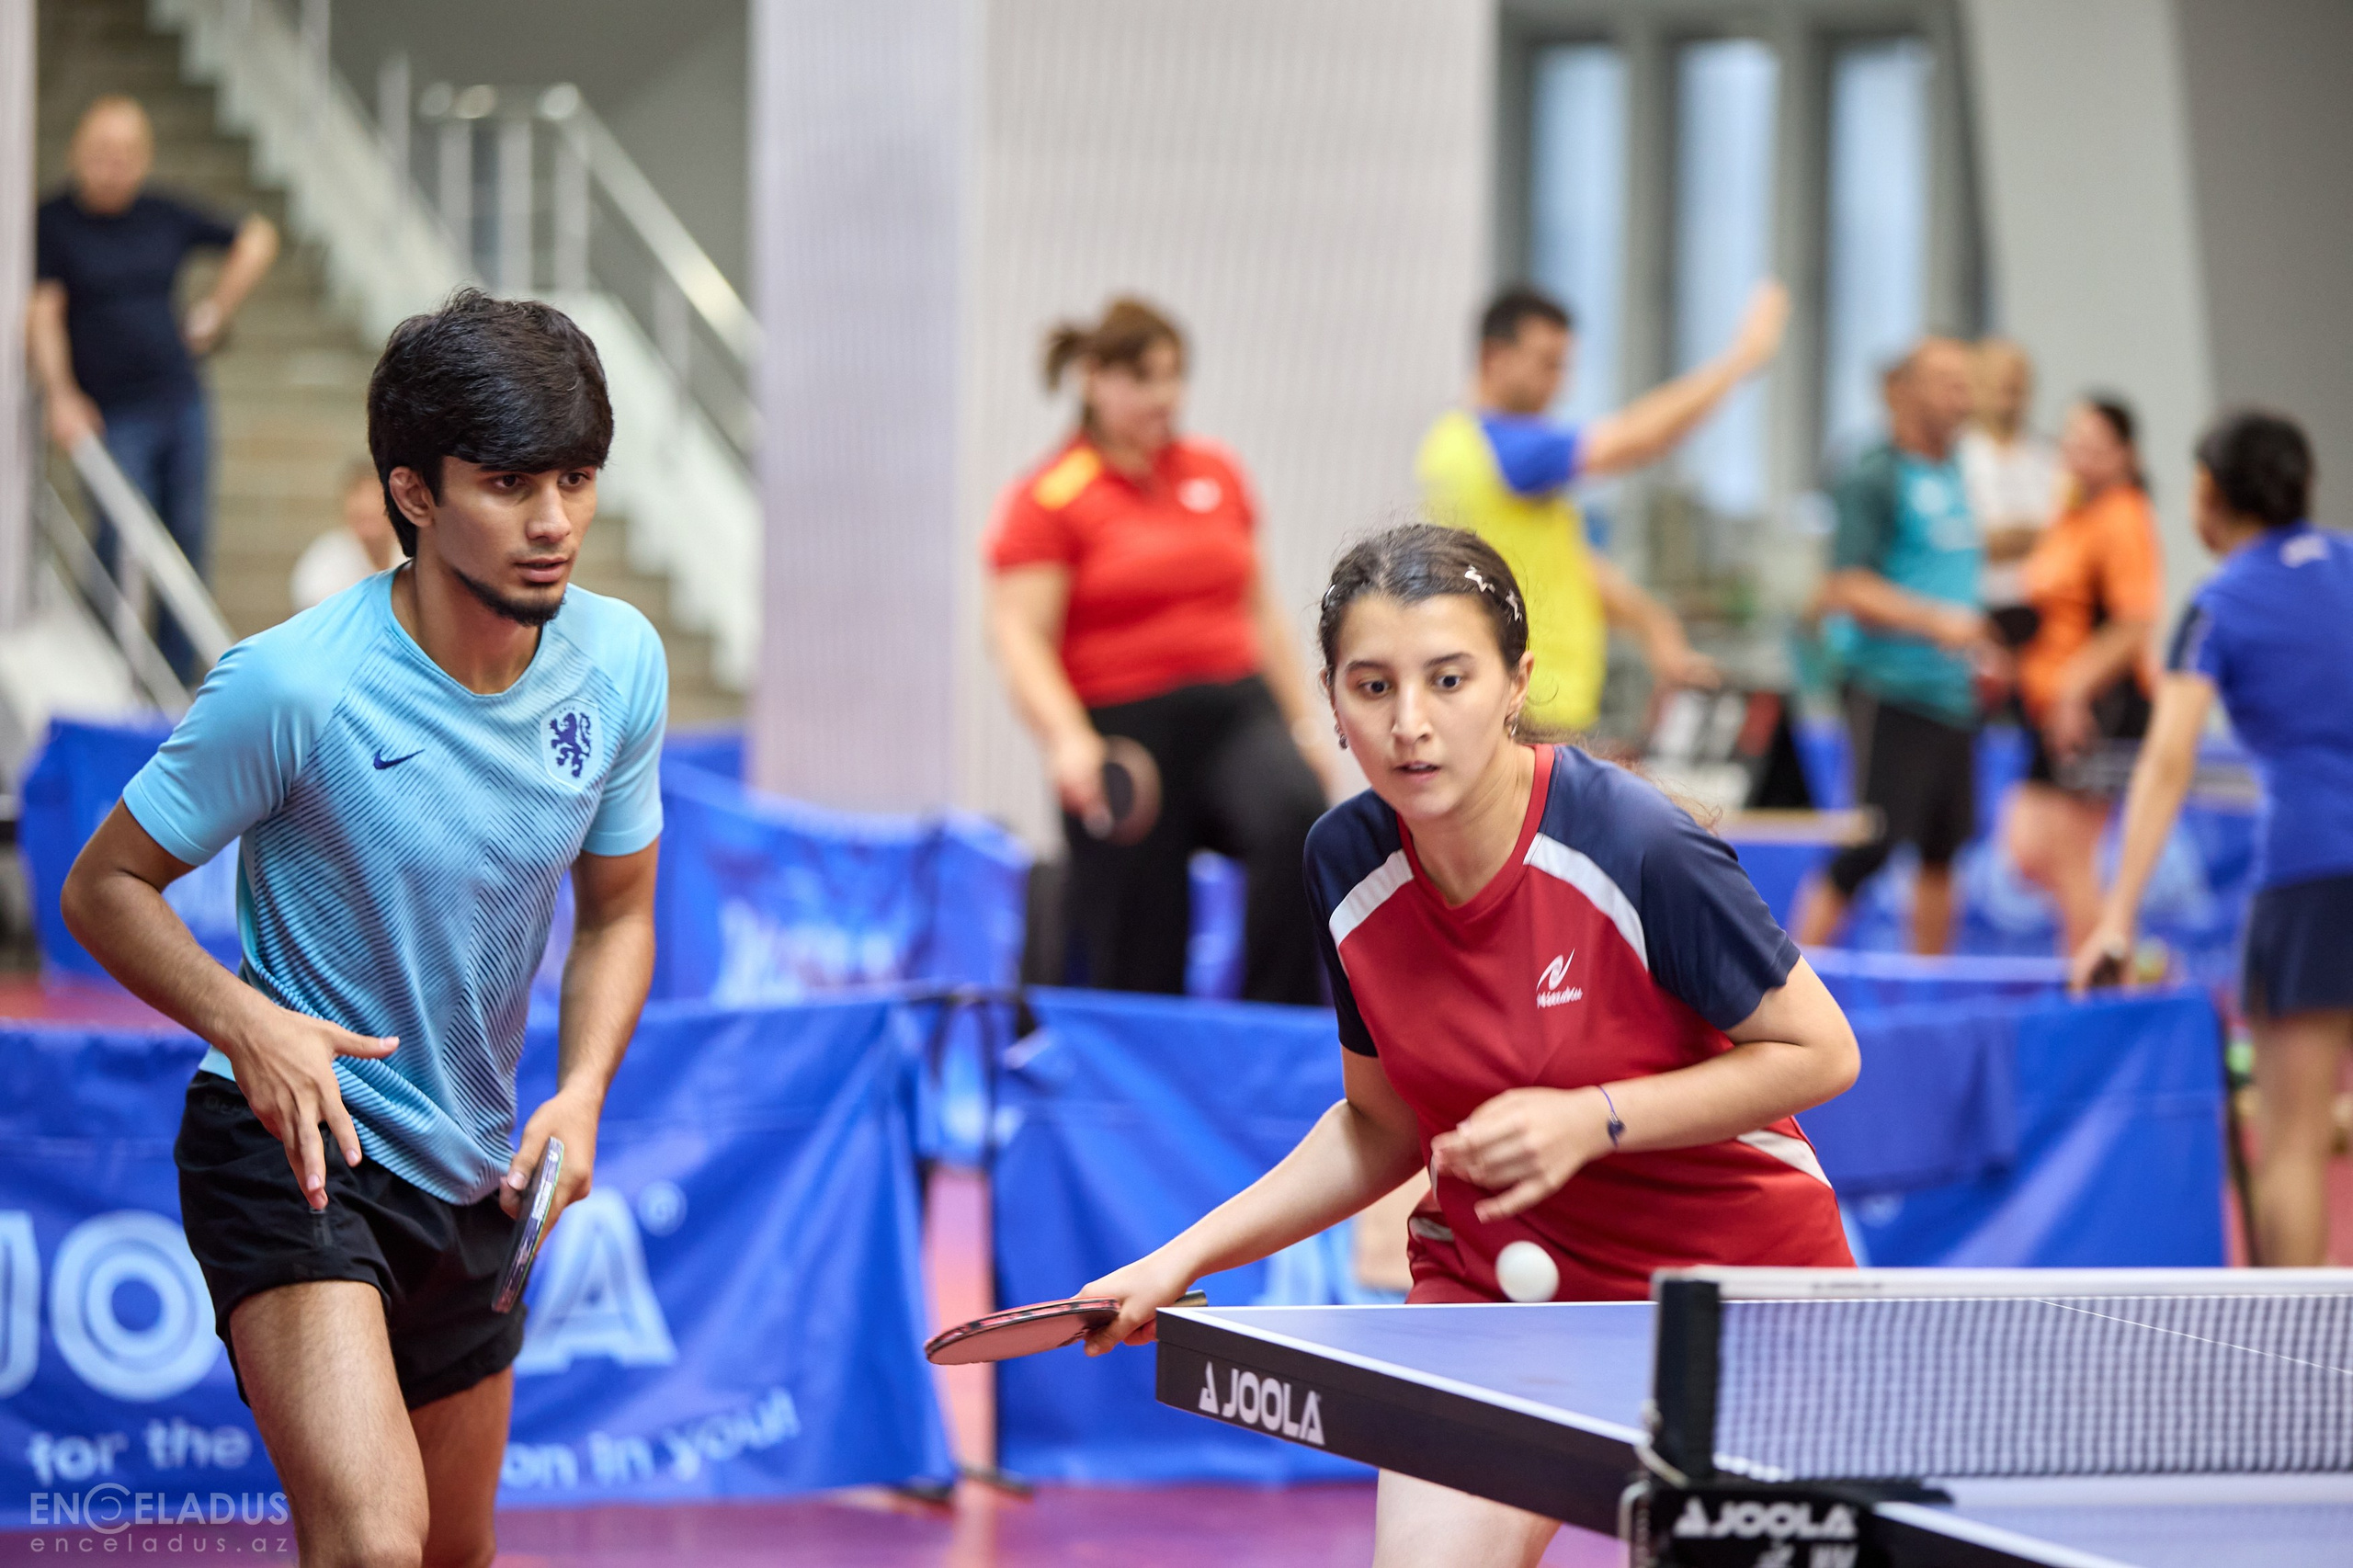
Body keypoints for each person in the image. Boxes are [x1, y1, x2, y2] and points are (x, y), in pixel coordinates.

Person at [1078, 524, 1858, 1567]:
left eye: (1448, 679)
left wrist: (1596, 1117)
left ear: (1513, 682)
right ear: (1330, 695)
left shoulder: (1632, 842)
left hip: (1730, 1299)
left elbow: (1820, 1052)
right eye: (1371, 686)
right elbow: (1379, 1121)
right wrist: (1180, 1257)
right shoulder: (1343, 861)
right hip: (1497, 1293)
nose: (1410, 724)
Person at [59, 290, 667, 1566]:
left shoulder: (619, 664)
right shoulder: (296, 684)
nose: (553, 521)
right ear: (415, 492)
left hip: (476, 1171)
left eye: (575, 477)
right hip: (294, 1144)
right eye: (508, 482)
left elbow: (619, 911)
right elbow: (101, 886)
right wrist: (250, 1021)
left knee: (452, 1552)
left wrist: (588, 1088)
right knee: (375, 1539)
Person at [986, 297, 1330, 1004]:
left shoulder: (1217, 470)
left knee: (1296, 818)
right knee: (1142, 942)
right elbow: (1019, 637)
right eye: (1143, 378)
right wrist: (1068, 742)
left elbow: (1260, 608)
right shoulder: (1050, 497)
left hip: (1234, 711)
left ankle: (1268, 1036)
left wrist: (1302, 724)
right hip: (1123, 728)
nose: (1164, 397)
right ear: (1093, 378)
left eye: (1175, 377)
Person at [2075, 410, 2349, 1267]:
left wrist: (2115, 915)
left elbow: (2166, 761)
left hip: (2308, 873)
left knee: (2294, 1138)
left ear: (2207, 497)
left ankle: (2300, 1373)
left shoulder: (2219, 602)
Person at [1414, 279, 1790, 734]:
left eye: (1563, 367)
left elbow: (1570, 565)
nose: (1560, 384)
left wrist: (1654, 626)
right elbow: (1639, 437)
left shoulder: (1458, 447)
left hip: (1535, 702)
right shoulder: (1506, 450)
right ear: (1495, 357)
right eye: (1547, 365)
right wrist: (1741, 359)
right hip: (1527, 706)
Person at [29, 95, 279, 670]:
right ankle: (102, 658)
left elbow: (257, 237)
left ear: (143, 158)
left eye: (125, 153)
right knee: (119, 538)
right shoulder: (53, 223)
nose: (112, 164)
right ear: (76, 152)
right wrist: (61, 394)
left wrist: (215, 313)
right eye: (100, 151)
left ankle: (173, 676)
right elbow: (41, 312)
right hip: (110, 411)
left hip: (179, 400)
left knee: (185, 537)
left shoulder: (163, 213)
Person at [1792, 339, 1999, 955]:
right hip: (1890, 689)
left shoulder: (1962, 473)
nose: (1961, 397)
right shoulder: (1873, 477)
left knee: (1944, 851)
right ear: (1902, 392)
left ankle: (1930, 992)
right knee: (1868, 848)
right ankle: (1787, 988)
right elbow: (1843, 584)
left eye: (1966, 384)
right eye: (1945, 383)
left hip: (1953, 696)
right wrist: (1935, 621)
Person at [2003, 398, 2162, 950]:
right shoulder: (2071, 514)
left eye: (2096, 443)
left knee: (2071, 856)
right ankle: (2114, 959)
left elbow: (2133, 623)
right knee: (2027, 847)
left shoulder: (2124, 514)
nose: (2080, 454)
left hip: (2100, 706)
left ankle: (2099, 986)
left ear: (2125, 454)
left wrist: (2074, 690)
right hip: (2046, 709)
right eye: (2073, 440)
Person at [1958, 338, 2063, 647]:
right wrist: (2037, 536)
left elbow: (2075, 537)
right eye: (1998, 378)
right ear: (1974, 384)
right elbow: (1965, 541)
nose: (2011, 384)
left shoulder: (2052, 459)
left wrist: (2007, 538)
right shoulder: (1956, 459)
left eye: (2020, 378)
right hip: (1979, 616)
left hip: (2047, 616)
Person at [292, 460, 406, 611]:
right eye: (361, 517)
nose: (366, 505)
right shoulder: (324, 561)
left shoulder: (412, 556)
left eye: (372, 517)